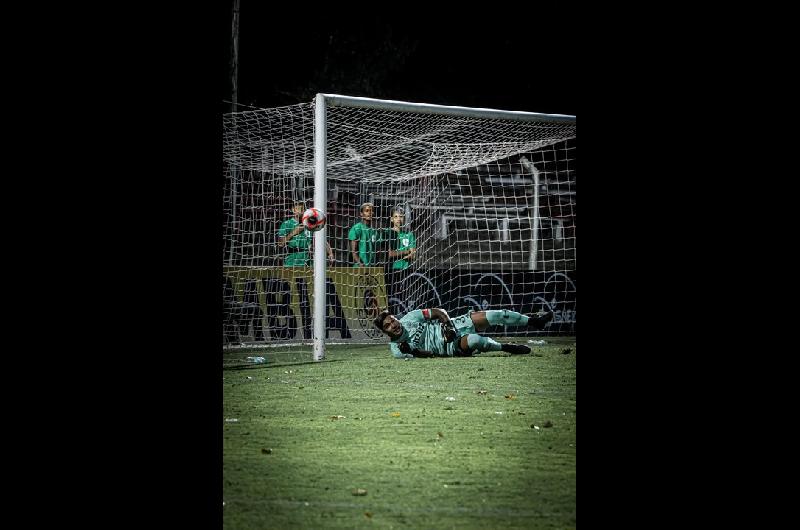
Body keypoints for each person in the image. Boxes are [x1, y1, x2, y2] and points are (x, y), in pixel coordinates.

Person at [374, 307, 554, 359]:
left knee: (498, 314)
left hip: (453, 326)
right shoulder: (397, 350)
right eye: (389, 326)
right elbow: (429, 355)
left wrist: (448, 326)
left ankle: (535, 322)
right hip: (449, 347)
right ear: (385, 332)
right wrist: (412, 351)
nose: (394, 325)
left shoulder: (409, 318)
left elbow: (438, 311)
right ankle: (506, 347)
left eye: (393, 320)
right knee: (475, 340)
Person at [277, 201, 334, 266]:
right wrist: (293, 233)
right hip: (292, 259)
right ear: (293, 210)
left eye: (301, 209)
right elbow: (280, 244)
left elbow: (322, 239)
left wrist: (330, 253)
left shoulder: (311, 223)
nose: (299, 211)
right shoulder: (286, 224)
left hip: (308, 260)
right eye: (297, 209)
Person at [348, 202, 380, 267]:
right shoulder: (356, 228)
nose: (370, 213)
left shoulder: (375, 232)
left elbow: (377, 252)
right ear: (361, 214)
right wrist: (361, 264)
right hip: (359, 268)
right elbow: (353, 251)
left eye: (371, 211)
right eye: (367, 211)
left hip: (372, 268)